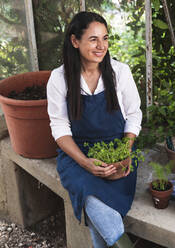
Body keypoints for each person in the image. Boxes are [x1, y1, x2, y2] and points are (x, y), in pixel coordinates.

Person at [47, 11, 142, 248]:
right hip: (77, 154)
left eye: (105, 38)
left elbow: (133, 115)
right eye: (93, 39)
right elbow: (59, 127)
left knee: (97, 207)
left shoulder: (120, 72)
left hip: (117, 152)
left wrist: (124, 153)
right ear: (75, 41)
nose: (102, 46)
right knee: (88, 193)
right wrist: (84, 162)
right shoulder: (59, 79)